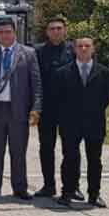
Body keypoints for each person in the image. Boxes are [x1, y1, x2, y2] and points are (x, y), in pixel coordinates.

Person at [0, 18, 41, 200]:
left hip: (18, 110)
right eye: (1, 32)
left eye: (8, 31)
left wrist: (36, 108)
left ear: (14, 32)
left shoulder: (28, 53)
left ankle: (20, 188)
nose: (5, 35)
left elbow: (36, 84)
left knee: (18, 151)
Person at [54, 37, 109, 207]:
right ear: (74, 49)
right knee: (70, 159)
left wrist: (93, 110)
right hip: (70, 123)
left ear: (93, 49)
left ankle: (94, 194)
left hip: (94, 122)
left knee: (95, 160)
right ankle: (67, 192)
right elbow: (57, 98)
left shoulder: (105, 73)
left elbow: (107, 97)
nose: (83, 49)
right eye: (79, 46)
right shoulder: (62, 73)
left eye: (87, 46)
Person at [34, 17, 75, 197]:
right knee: (46, 148)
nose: (56, 31)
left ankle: (73, 186)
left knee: (71, 149)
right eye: (52, 29)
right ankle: (48, 185)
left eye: (59, 28)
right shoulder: (38, 52)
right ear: (47, 32)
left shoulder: (75, 50)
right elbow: (34, 81)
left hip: (69, 108)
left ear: (65, 30)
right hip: (47, 108)